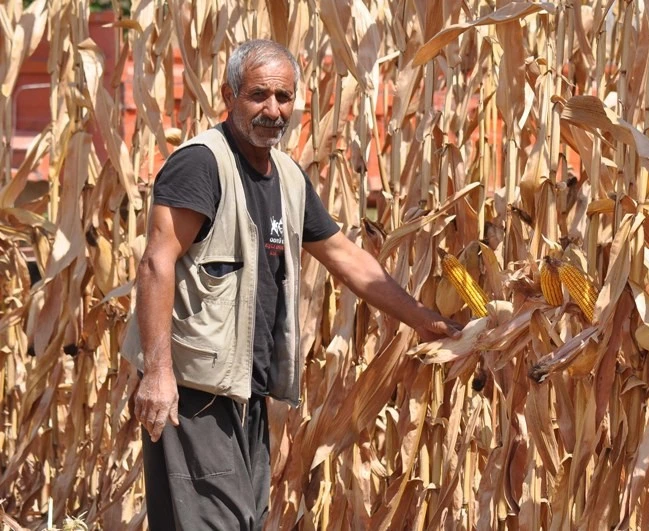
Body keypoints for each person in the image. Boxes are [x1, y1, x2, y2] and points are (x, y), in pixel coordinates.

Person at [120, 39, 460, 530]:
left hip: (248, 390)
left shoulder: (287, 177)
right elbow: (156, 263)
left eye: (284, 97)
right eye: (259, 95)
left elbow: (347, 259)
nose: (273, 110)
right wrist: (157, 374)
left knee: (245, 521)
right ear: (228, 96)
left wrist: (426, 320)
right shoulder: (202, 164)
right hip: (193, 392)